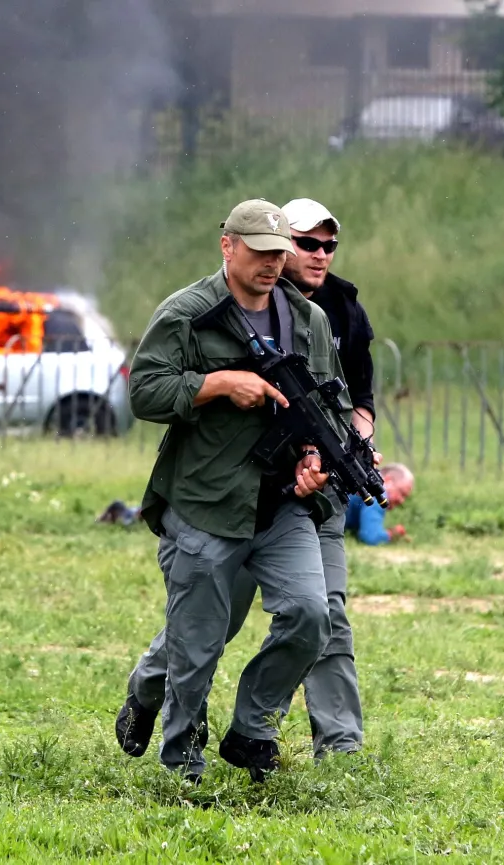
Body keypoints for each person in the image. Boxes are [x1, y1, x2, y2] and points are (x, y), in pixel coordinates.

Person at [114, 199, 351, 783]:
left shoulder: (309, 320)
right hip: (206, 502)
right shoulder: (188, 313)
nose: (273, 263)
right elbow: (144, 392)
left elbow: (334, 407)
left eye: (280, 253)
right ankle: (181, 768)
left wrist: (317, 459)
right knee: (196, 647)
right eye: (261, 252)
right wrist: (217, 383)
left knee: (311, 616)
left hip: (283, 505)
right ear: (228, 246)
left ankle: (252, 729)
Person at [276, 197, 378, 758]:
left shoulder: (344, 305)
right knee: (211, 617)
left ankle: (340, 745)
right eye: (307, 243)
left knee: (328, 611)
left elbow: (362, 396)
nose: (320, 255)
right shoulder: (251, 302)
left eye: (329, 245)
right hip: (256, 488)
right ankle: (154, 692)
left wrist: (357, 443)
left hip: (324, 489)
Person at [346, 463, 414, 546]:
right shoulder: (378, 492)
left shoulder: (365, 478)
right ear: (388, 480)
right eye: (401, 493)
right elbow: (370, 537)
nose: (402, 501)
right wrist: (392, 534)